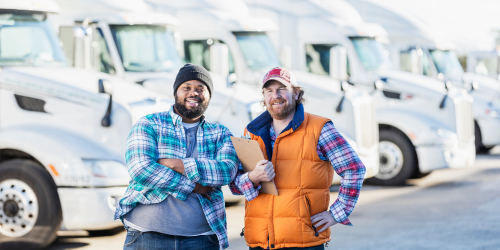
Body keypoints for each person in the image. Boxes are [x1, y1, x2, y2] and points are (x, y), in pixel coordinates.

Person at [230, 67, 366, 250]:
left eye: (282, 89)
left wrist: (336, 214)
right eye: (269, 91)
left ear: (296, 93)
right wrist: (252, 177)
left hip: (303, 242)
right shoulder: (251, 132)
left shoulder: (319, 129)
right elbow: (235, 184)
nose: (275, 95)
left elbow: (354, 169)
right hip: (260, 241)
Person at [114, 64, 239, 250]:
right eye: (186, 87)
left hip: (201, 239)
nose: (193, 93)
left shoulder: (220, 134)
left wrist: (175, 164)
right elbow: (140, 169)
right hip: (148, 235)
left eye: (200, 88)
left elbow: (227, 171)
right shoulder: (150, 124)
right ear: (176, 92)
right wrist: (193, 186)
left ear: (209, 95)